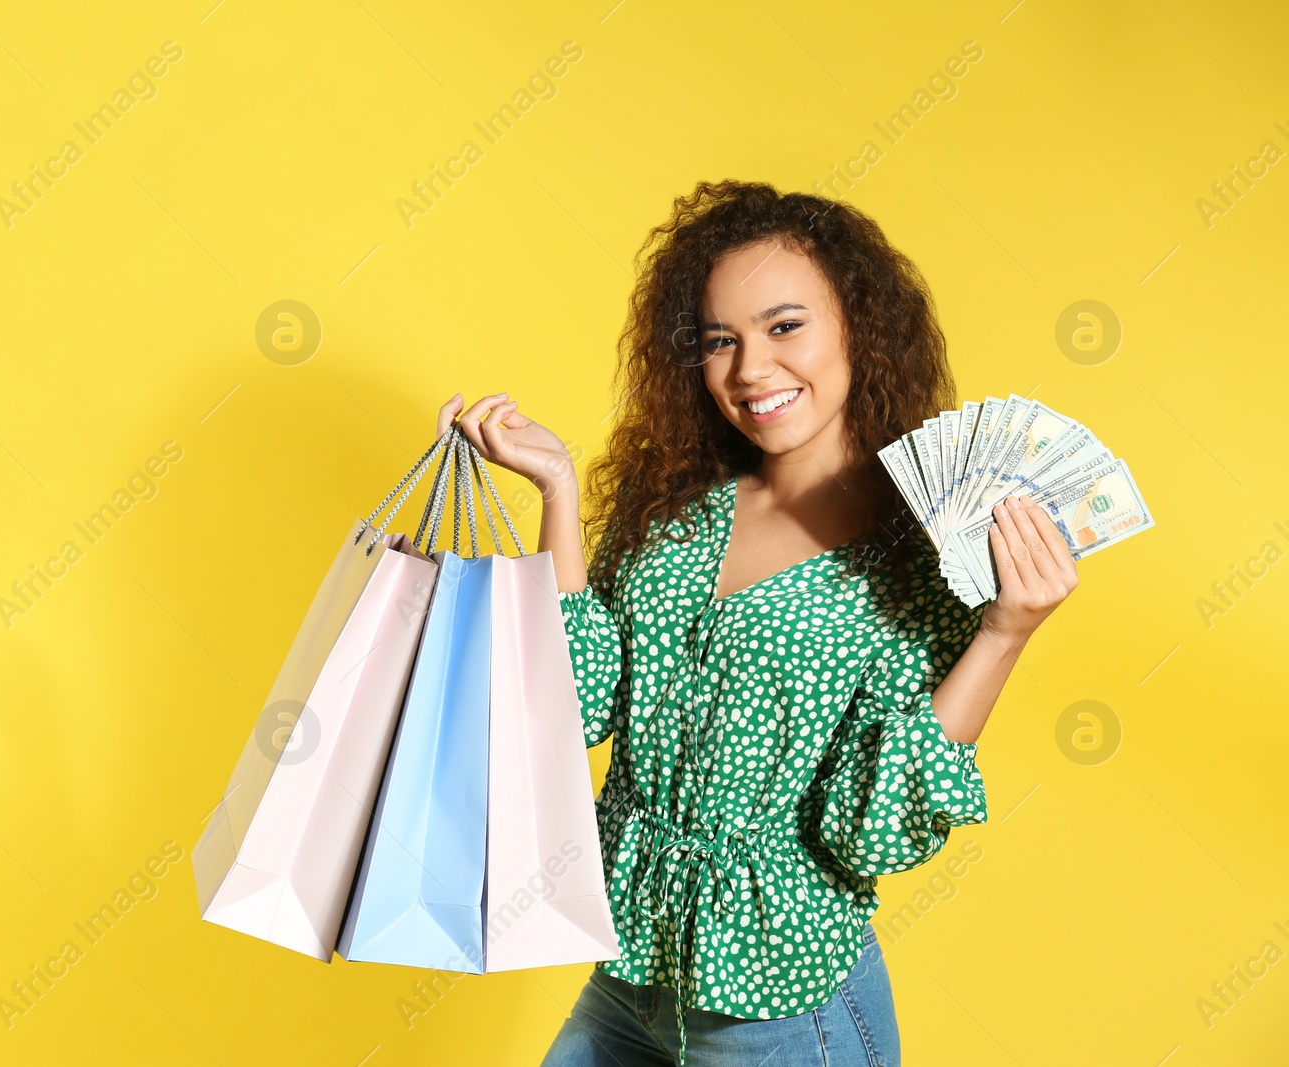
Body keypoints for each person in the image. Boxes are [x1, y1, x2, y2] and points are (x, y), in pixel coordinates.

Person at [437, 180, 1077, 1067]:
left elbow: (872, 828)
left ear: (860, 326)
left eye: (785, 327)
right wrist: (556, 488)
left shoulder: (922, 554)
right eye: (719, 341)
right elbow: (569, 707)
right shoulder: (676, 509)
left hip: (781, 1009)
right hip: (631, 971)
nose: (750, 370)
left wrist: (1005, 632)